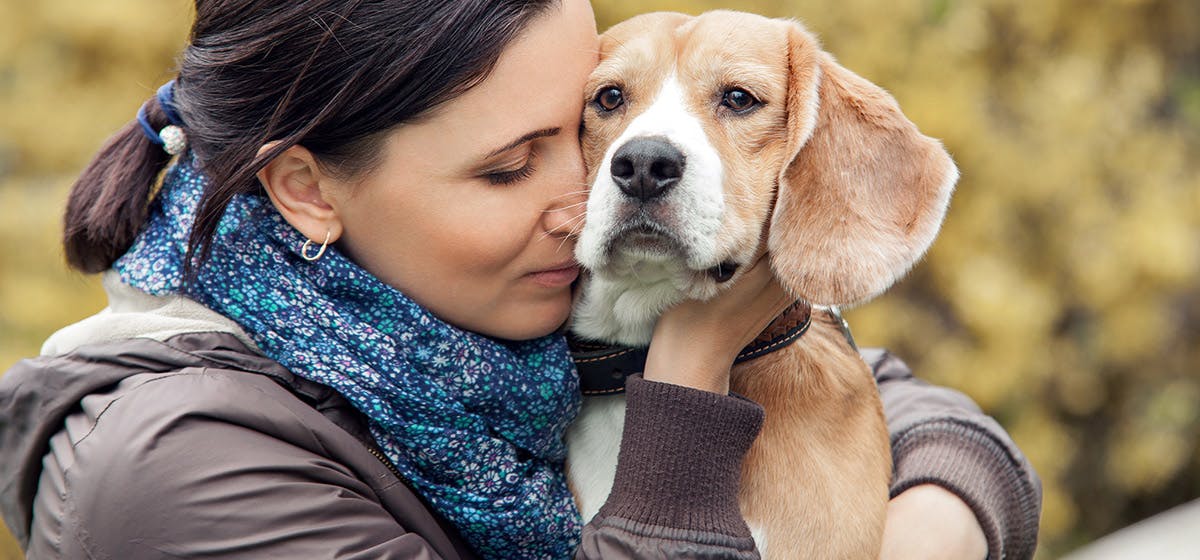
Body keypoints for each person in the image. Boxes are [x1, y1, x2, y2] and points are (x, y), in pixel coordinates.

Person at [0, 0, 1040, 558]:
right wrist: (686, 368)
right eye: (507, 165)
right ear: (310, 191)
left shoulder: (479, 311)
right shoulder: (174, 473)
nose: (583, 196)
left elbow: (898, 399)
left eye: (574, 133)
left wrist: (930, 523)